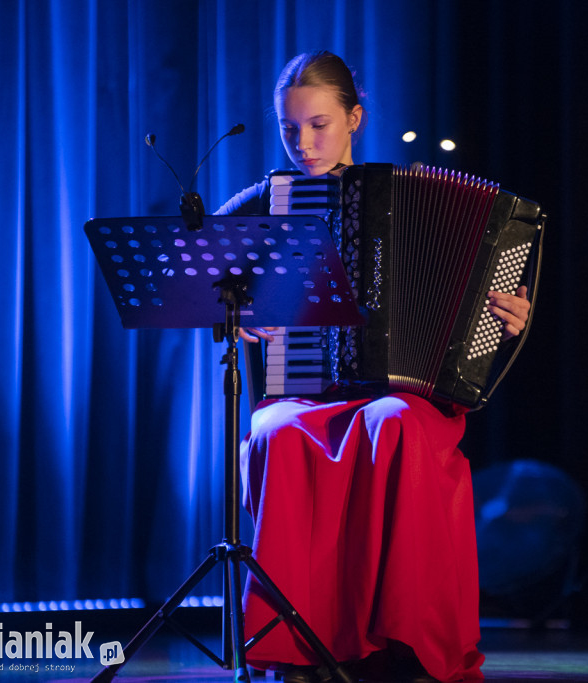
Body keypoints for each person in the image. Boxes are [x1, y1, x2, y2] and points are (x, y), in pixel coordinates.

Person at [216, 51, 531, 683]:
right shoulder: (264, 204)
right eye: (289, 128)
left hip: (403, 392)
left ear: (354, 118)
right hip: (307, 394)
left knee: (394, 420)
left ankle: (405, 645)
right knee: (275, 429)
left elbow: (485, 304)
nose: (303, 143)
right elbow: (205, 282)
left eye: (319, 125)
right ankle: (292, 648)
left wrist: (506, 318)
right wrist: (239, 315)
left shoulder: (398, 196)